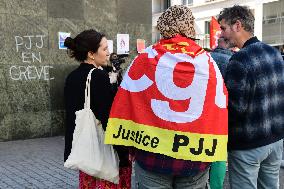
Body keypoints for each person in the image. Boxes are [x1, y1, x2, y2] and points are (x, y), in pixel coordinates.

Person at [105, 5, 228, 189]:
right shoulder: (207, 62)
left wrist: (129, 147)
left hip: (152, 157)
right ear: (190, 27)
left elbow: (126, 101)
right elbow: (219, 105)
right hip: (195, 158)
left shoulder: (145, 58)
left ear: (163, 27)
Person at [218, 5, 284, 189]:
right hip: (276, 139)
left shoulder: (240, 60)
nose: (221, 34)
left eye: (223, 28)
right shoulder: (274, 53)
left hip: (248, 144)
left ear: (237, 25)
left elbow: (234, 109)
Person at [63, 29, 131, 189]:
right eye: (105, 49)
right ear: (91, 54)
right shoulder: (98, 77)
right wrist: (124, 153)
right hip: (105, 153)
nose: (108, 53)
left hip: (87, 153)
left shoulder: (72, 77)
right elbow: (109, 119)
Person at [209, 37, 234, 189]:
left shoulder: (207, 58)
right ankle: (215, 186)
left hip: (206, 113)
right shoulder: (232, 61)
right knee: (219, 153)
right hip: (222, 114)